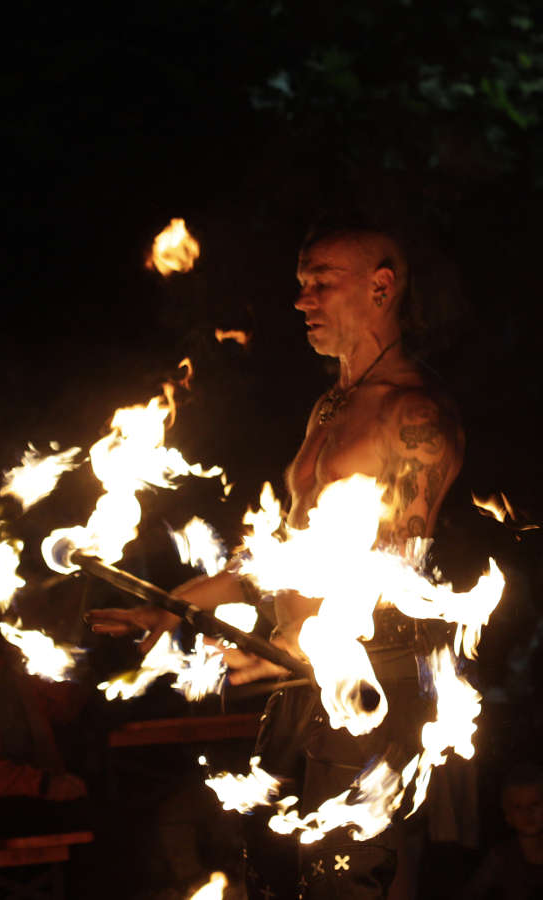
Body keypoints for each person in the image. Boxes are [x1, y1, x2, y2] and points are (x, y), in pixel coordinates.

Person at [87, 219, 465, 898]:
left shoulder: (415, 415)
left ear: (382, 288)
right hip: (296, 677)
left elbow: (393, 569)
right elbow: (285, 552)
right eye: (300, 284)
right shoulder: (330, 407)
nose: (303, 301)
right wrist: (175, 607)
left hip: (366, 676)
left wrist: (301, 638)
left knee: (337, 880)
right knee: (268, 871)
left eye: (323, 282)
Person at [0, 599, 89, 899]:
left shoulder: (11, 657)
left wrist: (66, 672)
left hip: (28, 792)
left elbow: (63, 711)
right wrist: (43, 784)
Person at [461, 763, 543, 899]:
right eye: (518, 807)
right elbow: (471, 893)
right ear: (508, 815)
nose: (527, 813)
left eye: (534, 804)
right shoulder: (501, 857)